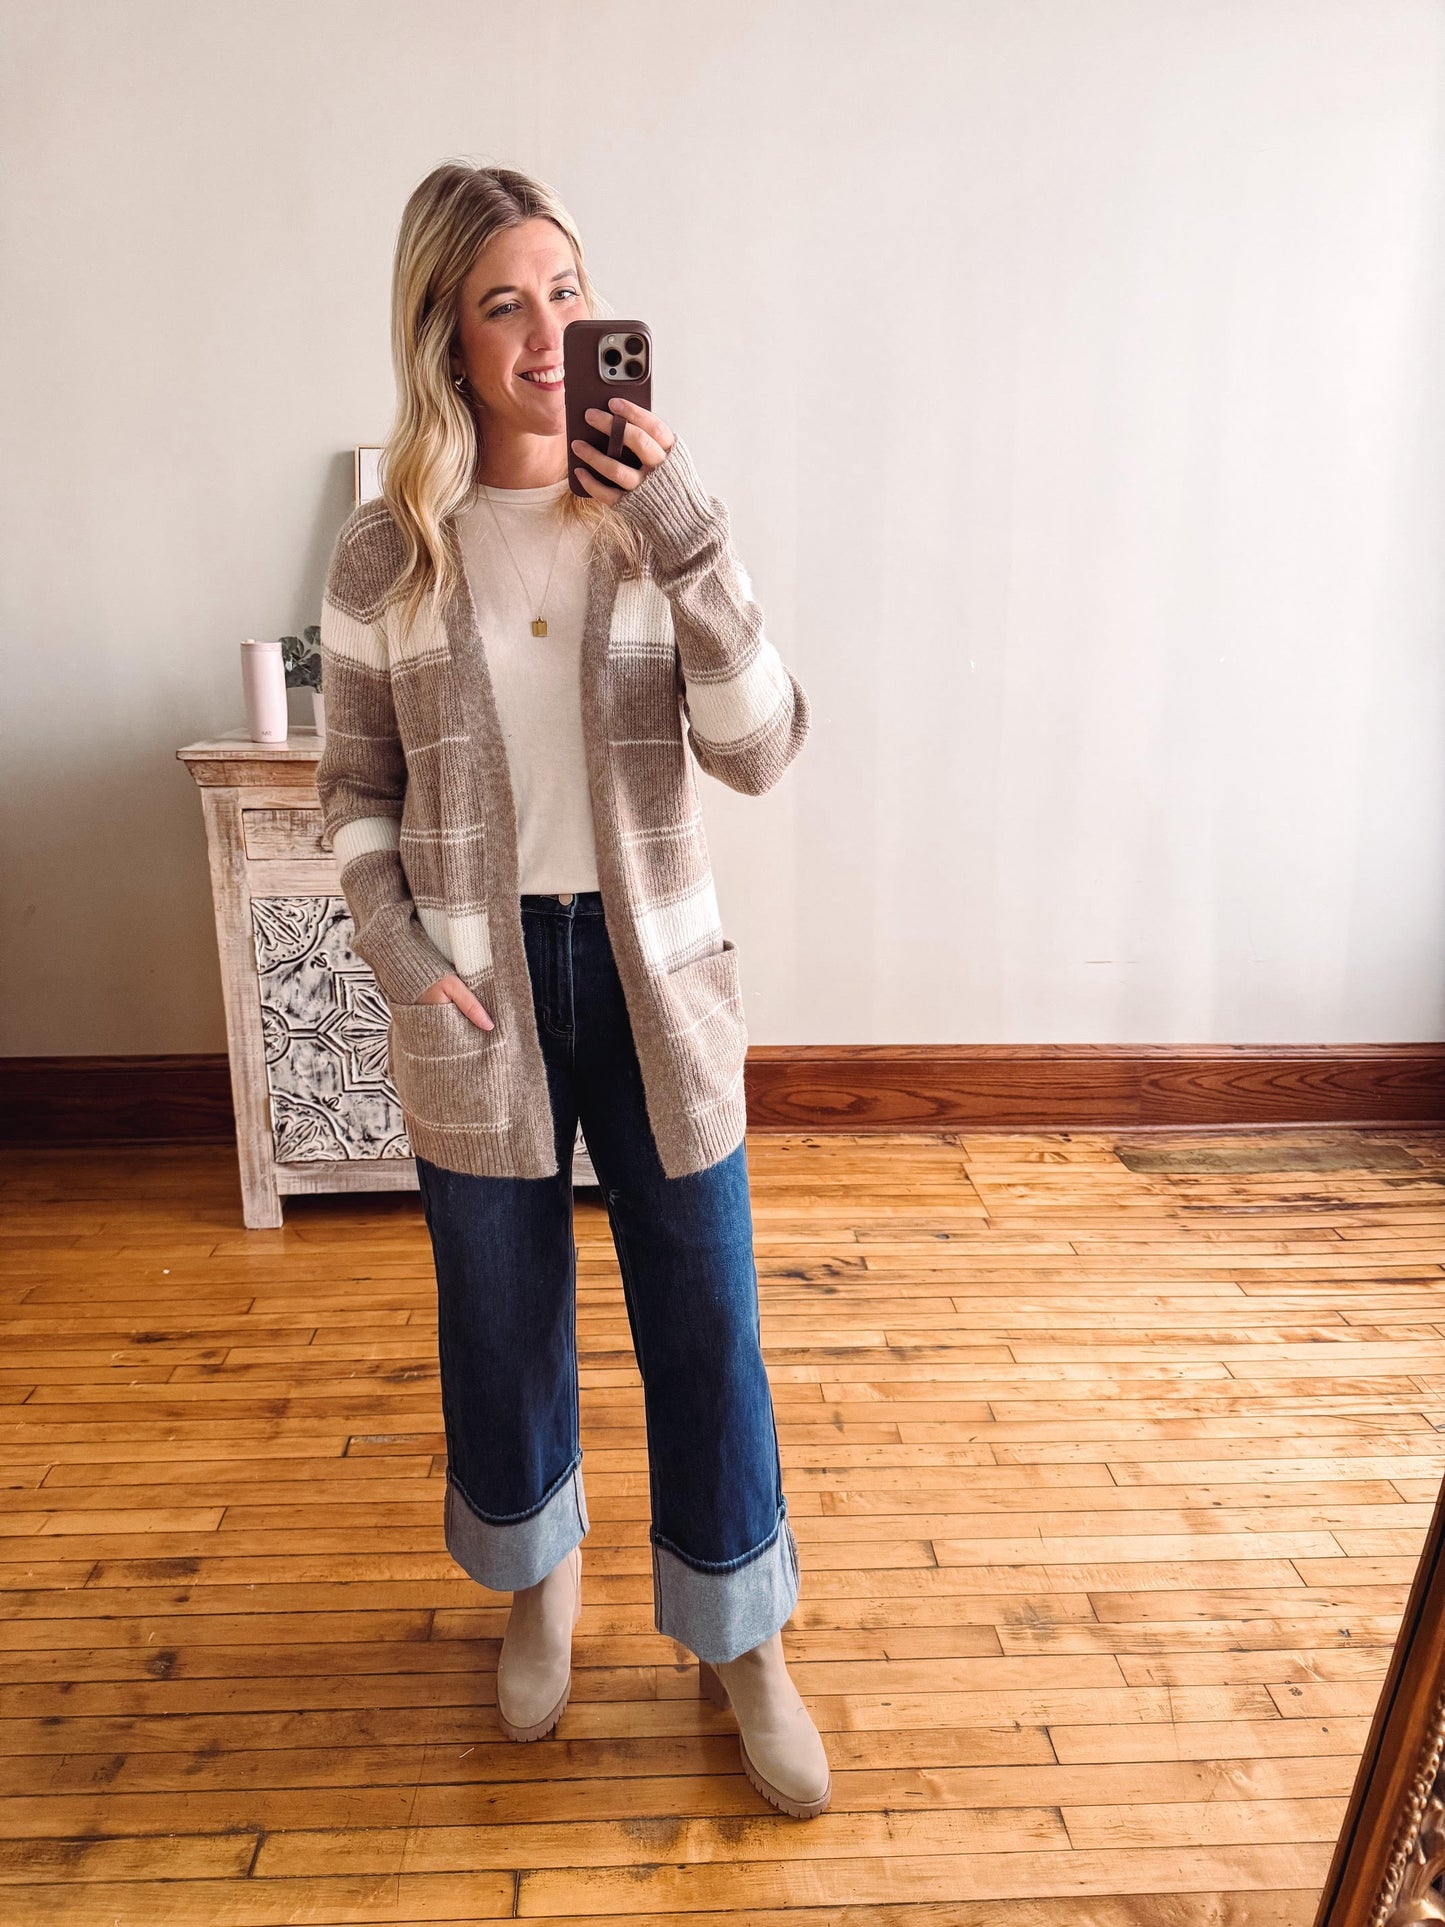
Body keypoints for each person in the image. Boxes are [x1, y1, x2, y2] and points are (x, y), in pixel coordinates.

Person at [316, 162, 827, 1818]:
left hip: (648, 965)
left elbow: (761, 748)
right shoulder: (390, 547)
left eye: (565, 290)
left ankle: (737, 1631)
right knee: (502, 1307)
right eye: (501, 303)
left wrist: (689, 534)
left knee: (705, 1307)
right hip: (480, 978)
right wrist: (404, 959)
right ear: (444, 340)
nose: (547, 331)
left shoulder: (653, 520)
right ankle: (544, 1576)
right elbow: (351, 792)